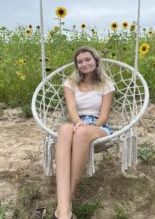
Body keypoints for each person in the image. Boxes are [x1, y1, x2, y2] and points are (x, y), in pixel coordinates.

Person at [53, 46, 115, 219]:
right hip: (77, 122)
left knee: (81, 133)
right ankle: (65, 211)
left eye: (88, 59)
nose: (84, 64)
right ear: (76, 65)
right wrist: (78, 122)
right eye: (80, 61)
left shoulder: (106, 84)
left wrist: (89, 126)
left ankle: (63, 207)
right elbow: (72, 109)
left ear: (96, 60)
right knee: (65, 129)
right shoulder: (70, 83)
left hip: (98, 126)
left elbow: (103, 116)